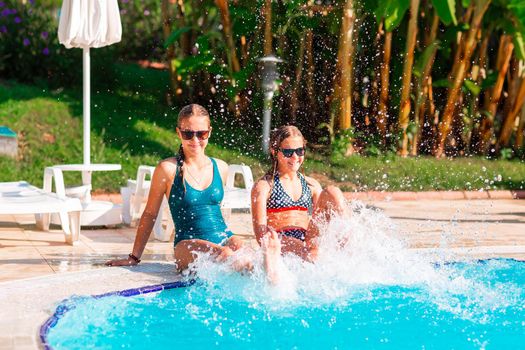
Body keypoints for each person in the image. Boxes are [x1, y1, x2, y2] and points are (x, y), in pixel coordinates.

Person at [106, 104, 244, 271]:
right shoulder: (168, 169)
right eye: (188, 134)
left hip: (224, 238)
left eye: (201, 134)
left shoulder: (221, 167)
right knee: (227, 256)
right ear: (179, 133)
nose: (195, 140)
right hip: (187, 245)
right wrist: (134, 257)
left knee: (250, 255)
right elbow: (150, 214)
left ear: (210, 132)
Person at [251, 125, 350, 274]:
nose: (295, 157)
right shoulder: (264, 186)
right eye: (288, 152)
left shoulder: (311, 185)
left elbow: (322, 222)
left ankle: (350, 248)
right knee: (308, 252)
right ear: (274, 151)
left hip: (308, 239)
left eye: (299, 151)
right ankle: (312, 257)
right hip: (281, 240)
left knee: (332, 191)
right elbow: (261, 236)